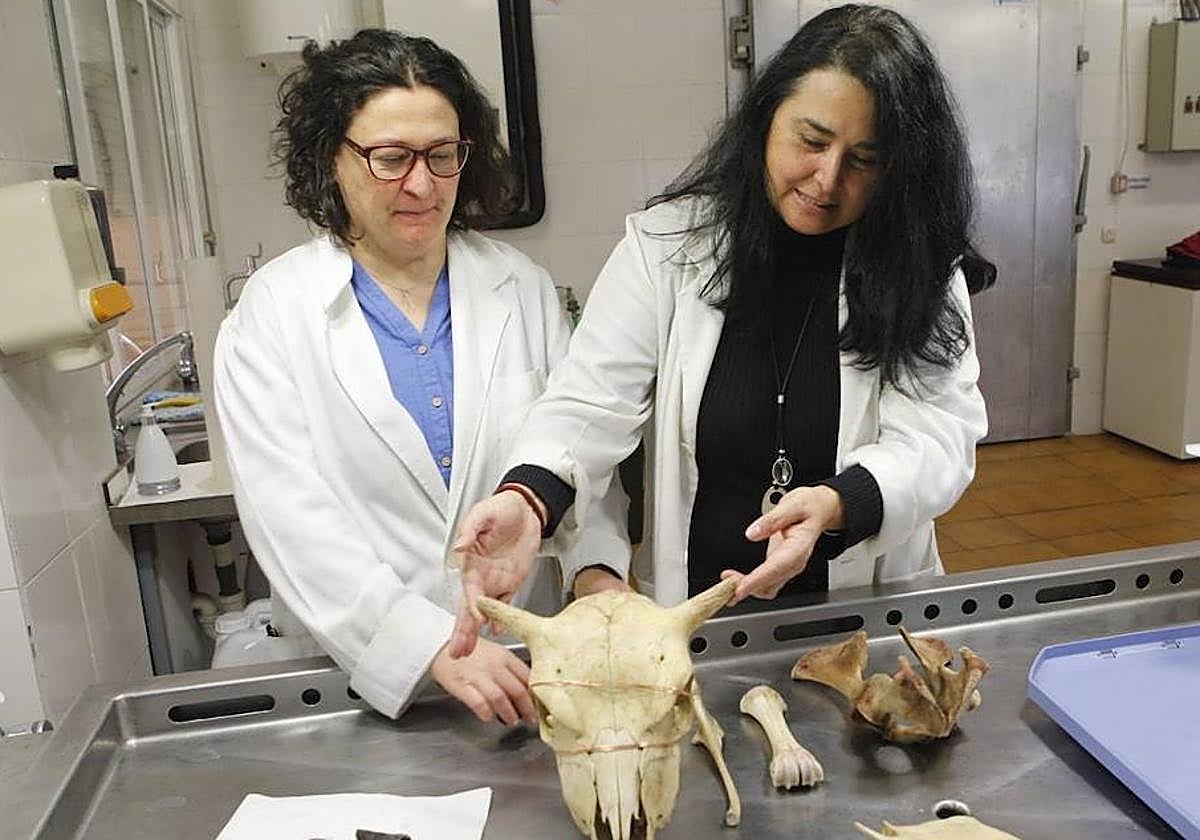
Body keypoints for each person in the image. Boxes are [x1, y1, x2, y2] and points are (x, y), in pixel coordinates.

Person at [448, 4, 995, 656]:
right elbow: (589, 403)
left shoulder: (921, 268)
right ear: (766, 118)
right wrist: (529, 498)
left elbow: (941, 437)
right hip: (696, 618)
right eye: (812, 141)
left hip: (862, 617)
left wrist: (840, 504)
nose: (827, 180)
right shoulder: (670, 249)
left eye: (864, 159)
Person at [213, 30, 629, 726]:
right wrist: (427, 643)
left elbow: (577, 448)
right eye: (389, 158)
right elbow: (291, 519)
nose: (421, 183)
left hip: (522, 673)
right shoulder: (275, 313)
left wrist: (596, 573)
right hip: (357, 683)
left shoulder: (519, 289)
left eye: (442, 155)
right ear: (330, 159)